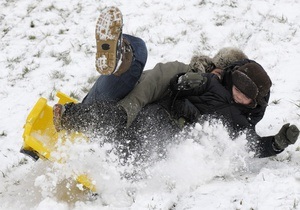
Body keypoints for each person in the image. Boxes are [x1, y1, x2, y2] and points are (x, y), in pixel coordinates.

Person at [53, 7, 299, 163]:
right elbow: (159, 79)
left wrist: (278, 143)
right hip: (115, 107)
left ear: (254, 102)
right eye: (234, 83)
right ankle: (117, 59)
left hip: (127, 131)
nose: (237, 91)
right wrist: (183, 83)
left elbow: (250, 146)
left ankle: (80, 113)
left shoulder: (237, 124)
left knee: (124, 110)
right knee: (138, 48)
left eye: (244, 94)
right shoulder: (198, 78)